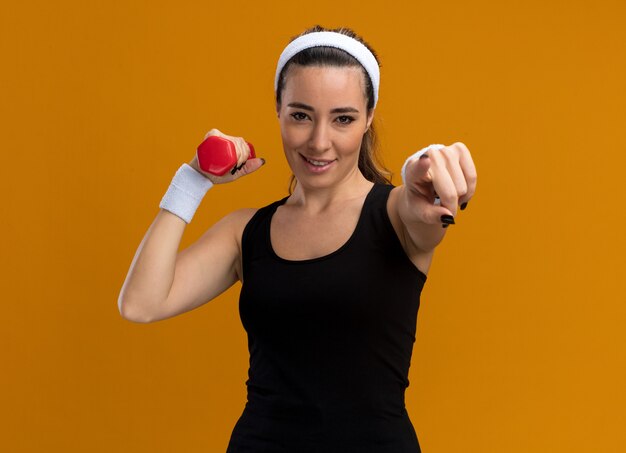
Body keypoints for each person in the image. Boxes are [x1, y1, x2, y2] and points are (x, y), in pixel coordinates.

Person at [118, 25, 477, 453]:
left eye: (343, 118)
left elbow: (421, 211)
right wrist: (191, 181)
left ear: (368, 119)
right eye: (301, 115)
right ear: (279, 110)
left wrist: (428, 169)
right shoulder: (245, 232)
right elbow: (141, 303)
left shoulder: (398, 215)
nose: (319, 141)